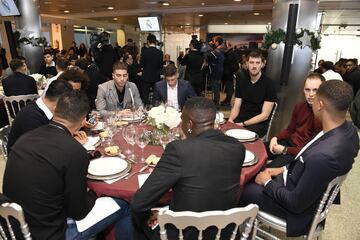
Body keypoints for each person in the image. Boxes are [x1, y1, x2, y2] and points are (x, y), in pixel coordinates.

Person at [3, 91, 133, 240]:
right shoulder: (74, 151)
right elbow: (78, 212)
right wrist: (96, 193)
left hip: (13, 226)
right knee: (124, 204)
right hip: (52, 233)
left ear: (56, 109)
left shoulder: (26, 137)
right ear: (83, 120)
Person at [240, 80, 359, 237]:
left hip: (296, 210)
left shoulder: (323, 156)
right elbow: (306, 161)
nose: (311, 98)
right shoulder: (349, 132)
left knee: (240, 186)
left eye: (315, 96)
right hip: (297, 184)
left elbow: (295, 203)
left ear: (320, 105)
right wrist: (282, 169)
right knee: (255, 172)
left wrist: (266, 182)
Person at [132, 97, 245, 239]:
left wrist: (150, 216)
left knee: (135, 221)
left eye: (182, 120)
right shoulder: (237, 147)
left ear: (189, 124)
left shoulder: (179, 150)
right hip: (223, 232)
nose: (180, 124)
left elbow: (139, 203)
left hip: (185, 234)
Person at [265, 73, 324, 168]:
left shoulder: (323, 115)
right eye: (307, 90)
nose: (311, 94)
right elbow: (290, 129)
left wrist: (285, 150)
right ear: (303, 90)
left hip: (299, 152)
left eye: (315, 90)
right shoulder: (299, 106)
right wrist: (275, 138)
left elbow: (311, 149)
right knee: (258, 152)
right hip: (289, 142)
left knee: (266, 171)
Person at [6, 80, 73, 152]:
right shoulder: (32, 118)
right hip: (22, 158)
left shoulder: (40, 107)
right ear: (60, 103)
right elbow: (40, 150)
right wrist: (71, 142)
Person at [228, 50, 277, 137]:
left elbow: (265, 115)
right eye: (251, 62)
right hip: (241, 120)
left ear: (262, 64)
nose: (254, 66)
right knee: (223, 135)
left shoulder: (270, 84)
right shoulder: (242, 81)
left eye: (257, 63)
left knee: (239, 137)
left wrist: (243, 124)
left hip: (258, 124)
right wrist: (230, 120)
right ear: (247, 64)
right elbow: (236, 106)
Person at [140, 34, 163, 104]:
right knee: (156, 95)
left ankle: (146, 108)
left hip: (146, 76)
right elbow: (161, 66)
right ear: (155, 42)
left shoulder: (144, 52)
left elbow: (141, 65)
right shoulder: (160, 53)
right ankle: (155, 107)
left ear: (148, 41)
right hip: (156, 76)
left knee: (145, 95)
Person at [206, 36, 225, 106]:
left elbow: (209, 55)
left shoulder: (218, 50)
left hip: (216, 71)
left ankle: (216, 103)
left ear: (217, 42)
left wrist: (209, 46)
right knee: (215, 87)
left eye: (214, 41)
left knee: (215, 87)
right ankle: (215, 101)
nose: (213, 43)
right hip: (218, 70)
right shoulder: (221, 49)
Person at [221, 41, 239, 107]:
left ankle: (227, 102)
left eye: (225, 46)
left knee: (229, 88)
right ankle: (227, 101)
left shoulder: (231, 53)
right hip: (229, 73)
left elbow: (227, 62)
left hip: (229, 73)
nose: (223, 48)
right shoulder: (230, 53)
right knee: (229, 87)